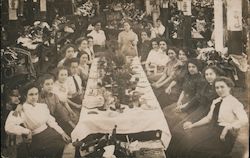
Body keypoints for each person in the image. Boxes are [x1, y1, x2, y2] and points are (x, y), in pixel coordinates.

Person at [166, 77, 248, 158]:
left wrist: (228, 127)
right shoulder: (216, 101)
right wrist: (192, 125)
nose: (219, 90)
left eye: (222, 87)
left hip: (224, 134)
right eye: (217, 88)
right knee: (183, 139)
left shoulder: (234, 103)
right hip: (212, 128)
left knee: (194, 148)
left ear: (229, 87)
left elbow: (244, 120)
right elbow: (208, 118)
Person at [5, 83, 71, 158]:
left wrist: (62, 132)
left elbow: (51, 121)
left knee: (66, 146)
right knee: (57, 149)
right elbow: (8, 126)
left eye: (36, 94)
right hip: (38, 139)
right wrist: (26, 131)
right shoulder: (21, 110)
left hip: (49, 132)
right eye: (31, 94)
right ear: (25, 96)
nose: (34, 97)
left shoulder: (42, 106)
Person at [162, 59, 205, 128]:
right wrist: (179, 101)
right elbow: (184, 90)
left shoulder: (201, 80)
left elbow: (197, 97)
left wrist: (184, 105)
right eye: (189, 67)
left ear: (198, 67)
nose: (191, 69)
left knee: (174, 117)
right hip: (184, 100)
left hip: (192, 104)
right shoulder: (188, 76)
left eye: (193, 67)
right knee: (166, 111)